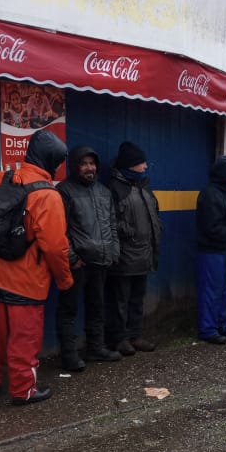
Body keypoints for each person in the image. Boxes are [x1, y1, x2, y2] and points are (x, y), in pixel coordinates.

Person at [0, 130, 73, 405]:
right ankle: (22, 389)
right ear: (51, 161)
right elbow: (55, 247)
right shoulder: (48, 196)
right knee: (24, 340)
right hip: (25, 281)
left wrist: (13, 177)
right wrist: (65, 281)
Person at [56, 145, 121, 371]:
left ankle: (96, 348)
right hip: (77, 263)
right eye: (84, 164)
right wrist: (73, 257)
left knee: (97, 307)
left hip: (100, 261)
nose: (89, 168)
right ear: (75, 166)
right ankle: (69, 356)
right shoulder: (64, 191)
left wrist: (113, 251)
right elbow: (59, 229)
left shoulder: (104, 191)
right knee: (68, 311)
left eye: (92, 163)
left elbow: (112, 224)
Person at [105, 140, 162, 357]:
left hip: (143, 254)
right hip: (124, 256)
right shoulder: (115, 188)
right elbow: (108, 220)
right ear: (130, 165)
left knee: (137, 298)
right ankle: (119, 339)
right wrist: (126, 229)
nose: (145, 166)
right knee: (119, 300)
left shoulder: (142, 187)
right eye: (141, 163)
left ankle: (135, 335)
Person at [195, 155, 226, 344]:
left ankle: (225, 326)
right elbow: (212, 228)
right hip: (211, 250)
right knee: (210, 291)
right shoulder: (209, 195)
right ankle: (208, 329)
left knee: (225, 290)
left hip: (224, 248)